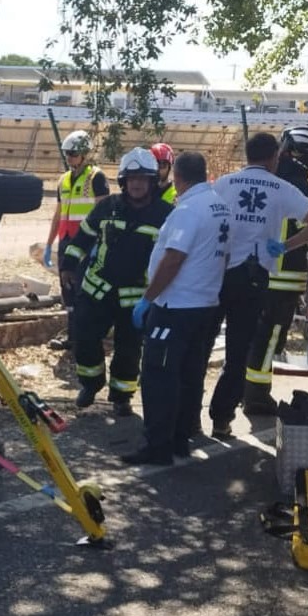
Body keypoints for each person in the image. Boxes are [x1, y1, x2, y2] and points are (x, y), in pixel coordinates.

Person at [205, 133, 308, 440]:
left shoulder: (223, 184)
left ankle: (185, 421)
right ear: (274, 156)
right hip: (257, 278)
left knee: (199, 345)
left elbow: (200, 218)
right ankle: (222, 419)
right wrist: (284, 247)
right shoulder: (286, 189)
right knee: (239, 352)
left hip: (218, 275)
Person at [120, 152, 231, 465]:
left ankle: (158, 446)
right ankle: (180, 439)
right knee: (189, 374)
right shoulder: (219, 205)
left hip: (176, 305)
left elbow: (173, 258)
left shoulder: (189, 210)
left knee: (159, 375)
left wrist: (149, 298)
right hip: (205, 303)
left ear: (179, 177)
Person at [60, 147, 173, 416]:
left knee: (129, 350)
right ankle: (91, 383)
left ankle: (122, 396)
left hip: (135, 298)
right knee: (84, 338)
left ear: (150, 181)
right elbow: (82, 239)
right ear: (123, 181)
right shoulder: (107, 207)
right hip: (96, 289)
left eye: (142, 178)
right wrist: (68, 265)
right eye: (131, 178)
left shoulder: (166, 215)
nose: (135, 183)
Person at [243, 127, 308, 415]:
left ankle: (240, 389)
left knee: (249, 335)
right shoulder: (302, 190)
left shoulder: (263, 182)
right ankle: (256, 396)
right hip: (282, 280)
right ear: (303, 158)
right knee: (270, 339)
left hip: (250, 275)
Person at [43, 130, 110, 350]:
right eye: (67, 153)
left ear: (84, 154)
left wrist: (101, 243)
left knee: (84, 289)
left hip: (87, 243)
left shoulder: (96, 178)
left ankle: (87, 337)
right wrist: (49, 243)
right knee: (67, 290)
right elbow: (59, 213)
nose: (69, 157)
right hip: (66, 241)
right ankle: (72, 336)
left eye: (73, 153)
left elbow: (103, 212)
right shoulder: (63, 180)